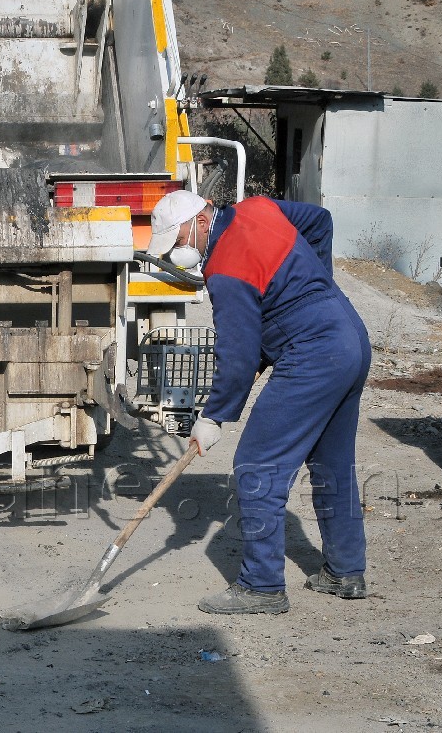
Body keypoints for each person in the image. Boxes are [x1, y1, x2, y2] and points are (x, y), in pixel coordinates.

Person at [147, 190, 371, 615]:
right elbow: (320, 221)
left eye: (177, 241)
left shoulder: (226, 269)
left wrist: (212, 416)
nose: (178, 252)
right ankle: (345, 571)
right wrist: (318, 286)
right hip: (349, 335)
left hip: (316, 351)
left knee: (257, 464)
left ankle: (262, 586)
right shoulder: (258, 208)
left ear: (198, 220)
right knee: (332, 462)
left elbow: (239, 355)